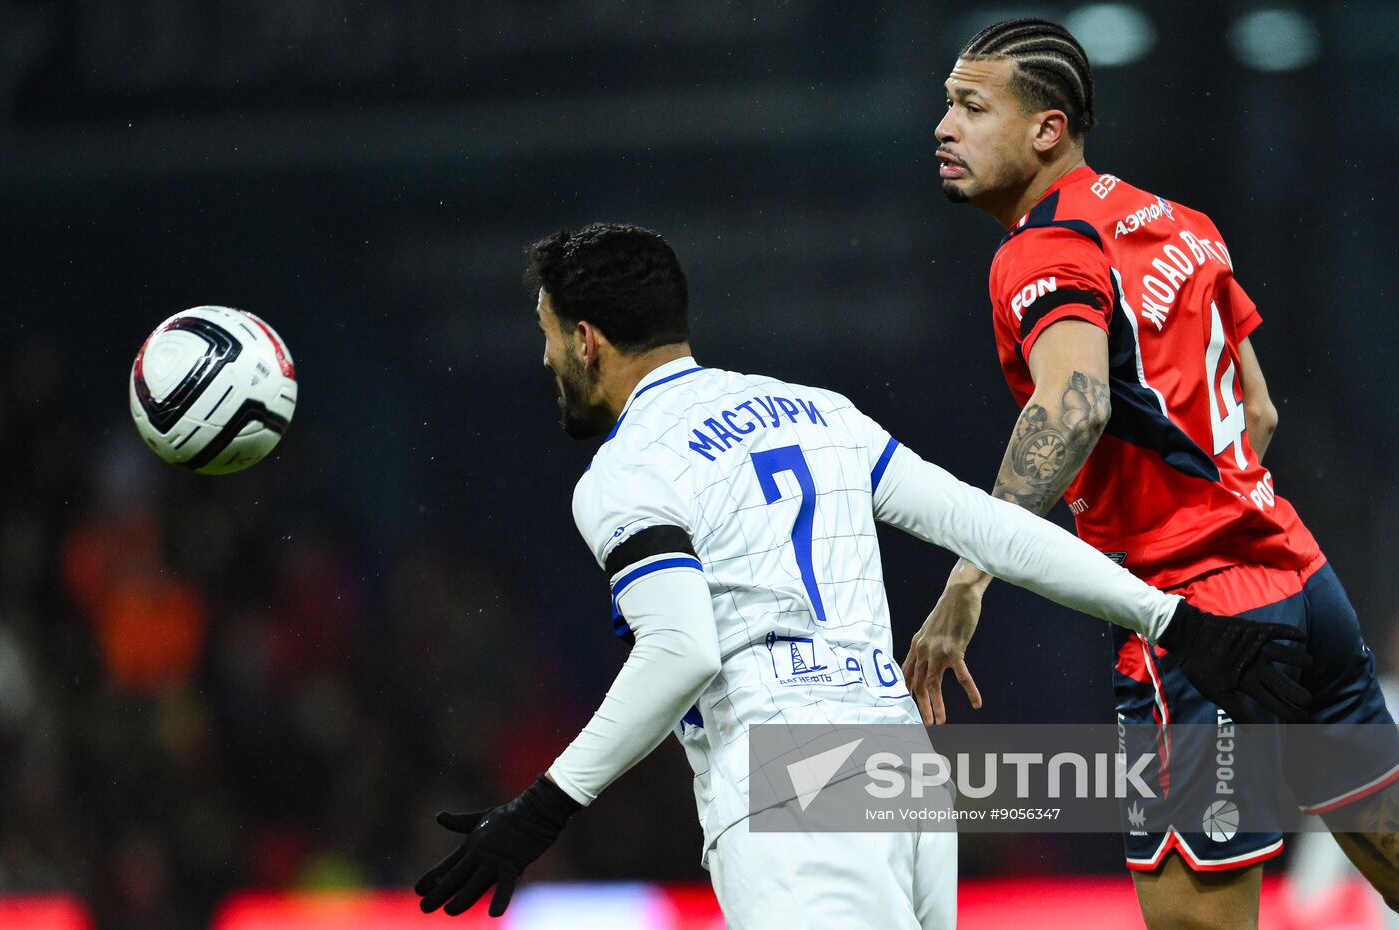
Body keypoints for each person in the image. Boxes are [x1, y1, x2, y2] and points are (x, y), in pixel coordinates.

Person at [414, 223, 1307, 928]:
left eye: (546, 337)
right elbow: (989, 528)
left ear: (586, 338)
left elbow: (680, 649)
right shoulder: (815, 412)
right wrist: (1173, 620)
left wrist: (543, 807)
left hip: (784, 770)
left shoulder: (626, 472)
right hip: (898, 766)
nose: (543, 362)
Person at [904, 17, 1399, 929]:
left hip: (1198, 620)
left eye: (972, 107)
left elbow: (1076, 404)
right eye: (946, 105)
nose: (944, 126)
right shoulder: (1183, 224)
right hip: (1301, 581)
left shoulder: (1039, 251)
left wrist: (969, 575)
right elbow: (1258, 411)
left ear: (1047, 129)